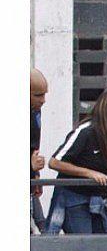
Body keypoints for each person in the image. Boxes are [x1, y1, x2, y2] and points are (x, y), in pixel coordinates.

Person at [45, 91, 107, 234]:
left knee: (102, 244)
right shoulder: (85, 131)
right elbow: (55, 162)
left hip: (98, 200)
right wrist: (89, 173)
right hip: (74, 198)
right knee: (84, 244)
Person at [31, 67, 49, 230]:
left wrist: (36, 174)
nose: (43, 100)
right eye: (37, 95)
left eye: (44, 94)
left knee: (42, 225)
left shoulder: (35, 113)